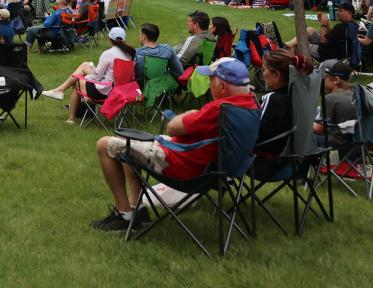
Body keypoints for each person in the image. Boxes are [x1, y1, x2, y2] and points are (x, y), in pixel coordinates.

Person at [90, 58, 257, 231]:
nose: (208, 83)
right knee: (132, 145)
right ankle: (137, 208)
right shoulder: (250, 105)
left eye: (211, 79)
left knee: (104, 145)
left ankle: (124, 214)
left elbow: (173, 128)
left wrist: (190, 115)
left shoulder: (218, 109)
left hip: (182, 167)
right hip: (215, 170)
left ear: (222, 86)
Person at [44, 27, 137, 124]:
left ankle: (70, 118)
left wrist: (85, 77)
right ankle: (60, 90)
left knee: (77, 81)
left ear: (110, 39)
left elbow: (96, 77)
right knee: (85, 65)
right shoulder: (130, 54)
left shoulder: (108, 53)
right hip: (120, 90)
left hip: (105, 92)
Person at [256, 50, 311, 156]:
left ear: (276, 75)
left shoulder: (272, 99)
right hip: (292, 158)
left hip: (263, 159)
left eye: (264, 70)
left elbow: (256, 131)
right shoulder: (301, 98)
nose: (263, 74)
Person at [313, 60, 357, 156]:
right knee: (316, 111)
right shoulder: (355, 92)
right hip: (356, 144)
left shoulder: (330, 99)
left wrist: (302, 123)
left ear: (335, 80)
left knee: (300, 134)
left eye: (323, 77)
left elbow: (319, 129)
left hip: (336, 145)